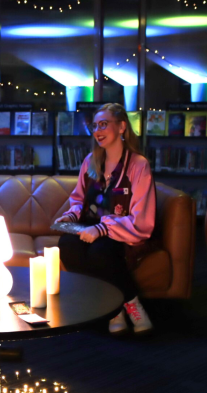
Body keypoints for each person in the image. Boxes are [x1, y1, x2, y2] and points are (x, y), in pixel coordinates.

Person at [54, 103, 157, 335]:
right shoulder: (90, 161)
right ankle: (114, 309)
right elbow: (79, 199)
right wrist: (71, 215)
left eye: (104, 124)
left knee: (100, 250)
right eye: (94, 126)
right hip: (90, 225)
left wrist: (102, 229)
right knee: (66, 244)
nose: (98, 130)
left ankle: (132, 304)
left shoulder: (139, 165)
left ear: (121, 127)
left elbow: (141, 217)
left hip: (122, 230)